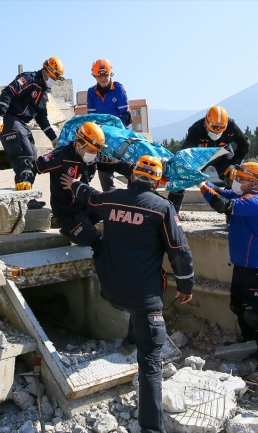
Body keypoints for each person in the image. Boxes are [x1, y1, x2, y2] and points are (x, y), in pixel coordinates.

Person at [61, 155, 194, 433]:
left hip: (112, 290)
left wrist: (74, 184)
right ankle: (151, 428)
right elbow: (179, 251)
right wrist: (186, 285)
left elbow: (91, 197)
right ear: (157, 181)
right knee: (150, 364)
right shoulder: (162, 208)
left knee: (104, 249)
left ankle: (129, 340)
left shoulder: (112, 198)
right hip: (144, 298)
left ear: (132, 176)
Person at [198, 162, 258, 375]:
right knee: (237, 306)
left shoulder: (255, 201)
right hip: (241, 266)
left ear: (253, 182)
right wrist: (201, 181)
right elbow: (220, 192)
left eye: (240, 179)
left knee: (257, 316)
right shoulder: (241, 195)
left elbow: (222, 205)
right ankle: (248, 343)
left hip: (256, 268)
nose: (236, 182)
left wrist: (200, 185)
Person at [31, 121, 133, 250]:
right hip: (68, 214)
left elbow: (116, 164)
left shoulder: (93, 156)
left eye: (97, 150)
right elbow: (34, 167)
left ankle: (76, 232)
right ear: (79, 145)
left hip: (85, 206)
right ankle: (75, 231)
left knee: (112, 205)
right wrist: (25, 181)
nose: (94, 154)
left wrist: (139, 170)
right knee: (97, 241)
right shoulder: (60, 156)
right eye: (91, 150)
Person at [0, 56, 65, 195]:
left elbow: (42, 119)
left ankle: (26, 192)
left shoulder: (43, 94)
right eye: (54, 77)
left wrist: (54, 139)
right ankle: (22, 188)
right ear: (46, 71)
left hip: (23, 123)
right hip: (9, 119)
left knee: (33, 158)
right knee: (25, 153)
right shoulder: (29, 79)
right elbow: (8, 92)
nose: (54, 81)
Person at [167, 105, 251, 213]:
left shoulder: (231, 126)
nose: (216, 133)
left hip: (223, 153)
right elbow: (185, 153)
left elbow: (245, 144)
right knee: (181, 175)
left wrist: (233, 164)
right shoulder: (196, 129)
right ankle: (171, 214)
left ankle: (233, 213)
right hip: (202, 156)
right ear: (207, 122)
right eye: (214, 129)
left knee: (234, 178)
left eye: (220, 130)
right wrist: (188, 171)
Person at [87, 58, 131, 192]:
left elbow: (126, 116)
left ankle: (132, 196)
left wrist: (115, 133)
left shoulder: (118, 88)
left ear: (110, 73)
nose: (103, 78)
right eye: (99, 76)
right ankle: (109, 196)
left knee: (129, 167)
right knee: (104, 168)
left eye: (105, 75)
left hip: (121, 135)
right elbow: (92, 118)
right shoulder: (91, 92)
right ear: (94, 76)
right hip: (102, 137)